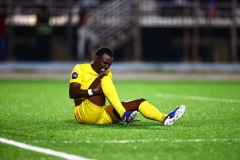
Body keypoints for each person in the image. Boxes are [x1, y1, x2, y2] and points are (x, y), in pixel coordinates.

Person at [69, 46, 186, 125]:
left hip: (101, 114)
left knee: (138, 102)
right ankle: (123, 113)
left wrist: (122, 109)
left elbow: (108, 96)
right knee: (103, 78)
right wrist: (92, 91)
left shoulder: (108, 73)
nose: (106, 67)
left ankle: (165, 118)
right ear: (95, 58)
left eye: (109, 64)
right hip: (84, 114)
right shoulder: (80, 68)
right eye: (104, 62)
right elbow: (72, 93)